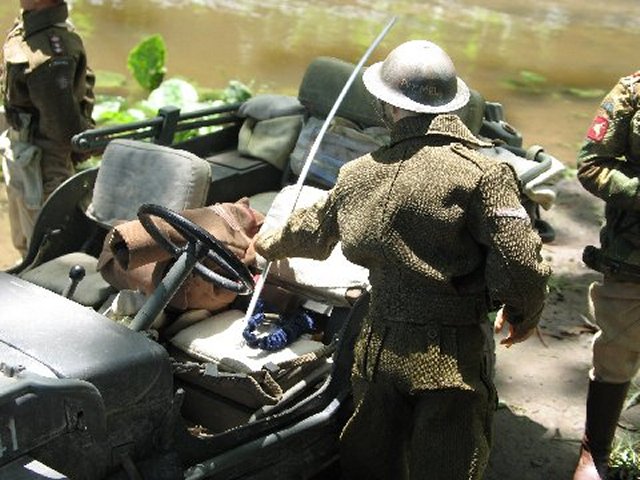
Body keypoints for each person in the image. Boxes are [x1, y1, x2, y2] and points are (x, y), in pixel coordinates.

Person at [253, 40, 550, 480]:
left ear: (387, 106)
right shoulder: (484, 174)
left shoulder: (357, 175)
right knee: (449, 463)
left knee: (371, 459)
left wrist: (265, 243)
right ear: (452, 104)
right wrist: (524, 315)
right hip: (451, 355)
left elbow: (309, 232)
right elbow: (520, 265)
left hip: (376, 348)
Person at [573, 72, 640, 480]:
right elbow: (591, 165)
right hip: (633, 255)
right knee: (616, 350)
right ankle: (594, 451)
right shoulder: (632, 92)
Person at [0, 0, 95, 257]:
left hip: (42, 165)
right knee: (24, 241)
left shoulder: (50, 53)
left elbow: (63, 130)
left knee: (44, 251)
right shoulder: (30, 25)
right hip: (23, 151)